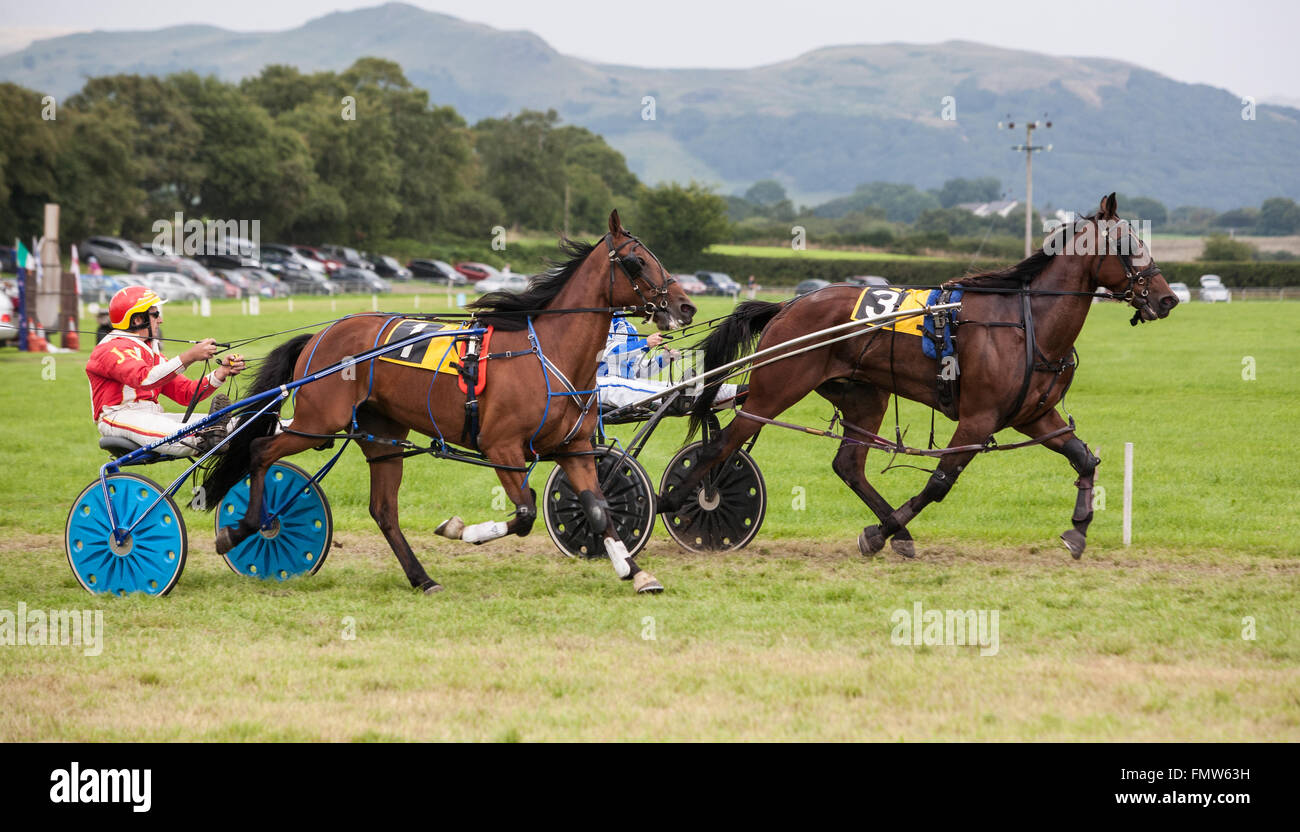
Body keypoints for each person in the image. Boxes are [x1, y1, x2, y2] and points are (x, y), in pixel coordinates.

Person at [85, 286, 246, 456]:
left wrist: (221, 372)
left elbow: (186, 393)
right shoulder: (110, 349)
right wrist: (190, 356)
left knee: (237, 426)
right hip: (119, 417)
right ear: (138, 320)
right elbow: (145, 379)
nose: (160, 320)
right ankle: (210, 435)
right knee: (191, 434)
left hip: (152, 417)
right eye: (155, 314)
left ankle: (225, 432)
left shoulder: (151, 352)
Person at [596, 316, 739, 415]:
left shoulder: (629, 327)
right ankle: (678, 398)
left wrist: (663, 359)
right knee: (620, 385)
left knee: (672, 388)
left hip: (628, 383)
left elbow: (639, 370)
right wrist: (644, 344)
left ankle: (737, 393)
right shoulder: (597, 321)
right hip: (598, 385)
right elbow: (606, 354)